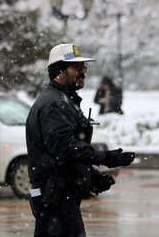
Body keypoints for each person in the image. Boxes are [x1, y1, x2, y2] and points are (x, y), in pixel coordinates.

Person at [26, 43, 135, 237]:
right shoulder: (55, 103)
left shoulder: (64, 100)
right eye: (77, 67)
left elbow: (68, 153)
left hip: (60, 193)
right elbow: (64, 149)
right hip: (53, 196)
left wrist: (92, 176)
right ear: (59, 71)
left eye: (84, 67)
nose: (83, 72)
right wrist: (104, 157)